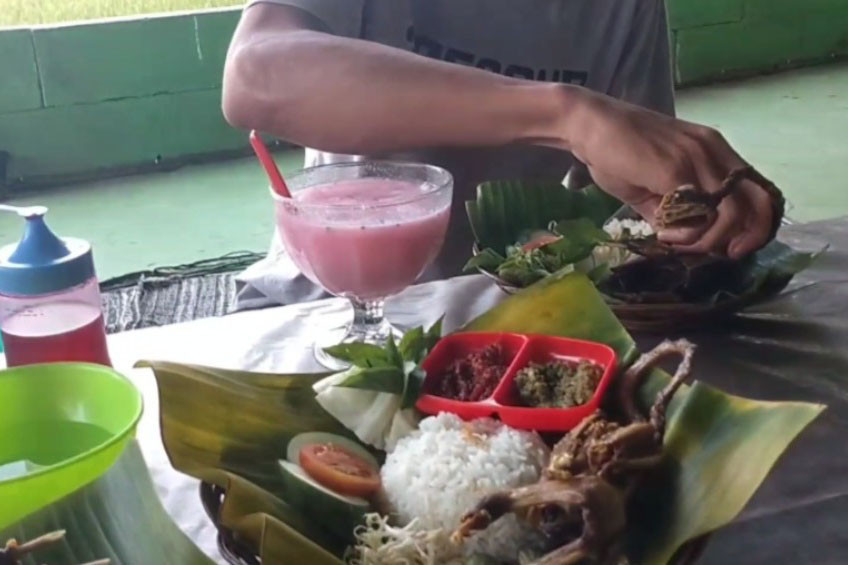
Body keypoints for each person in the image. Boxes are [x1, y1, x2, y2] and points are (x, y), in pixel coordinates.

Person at [222, 0, 776, 309]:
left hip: (502, 300)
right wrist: (566, 115)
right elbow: (257, 77)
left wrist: (698, 217)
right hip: (330, 302)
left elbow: (630, 211)